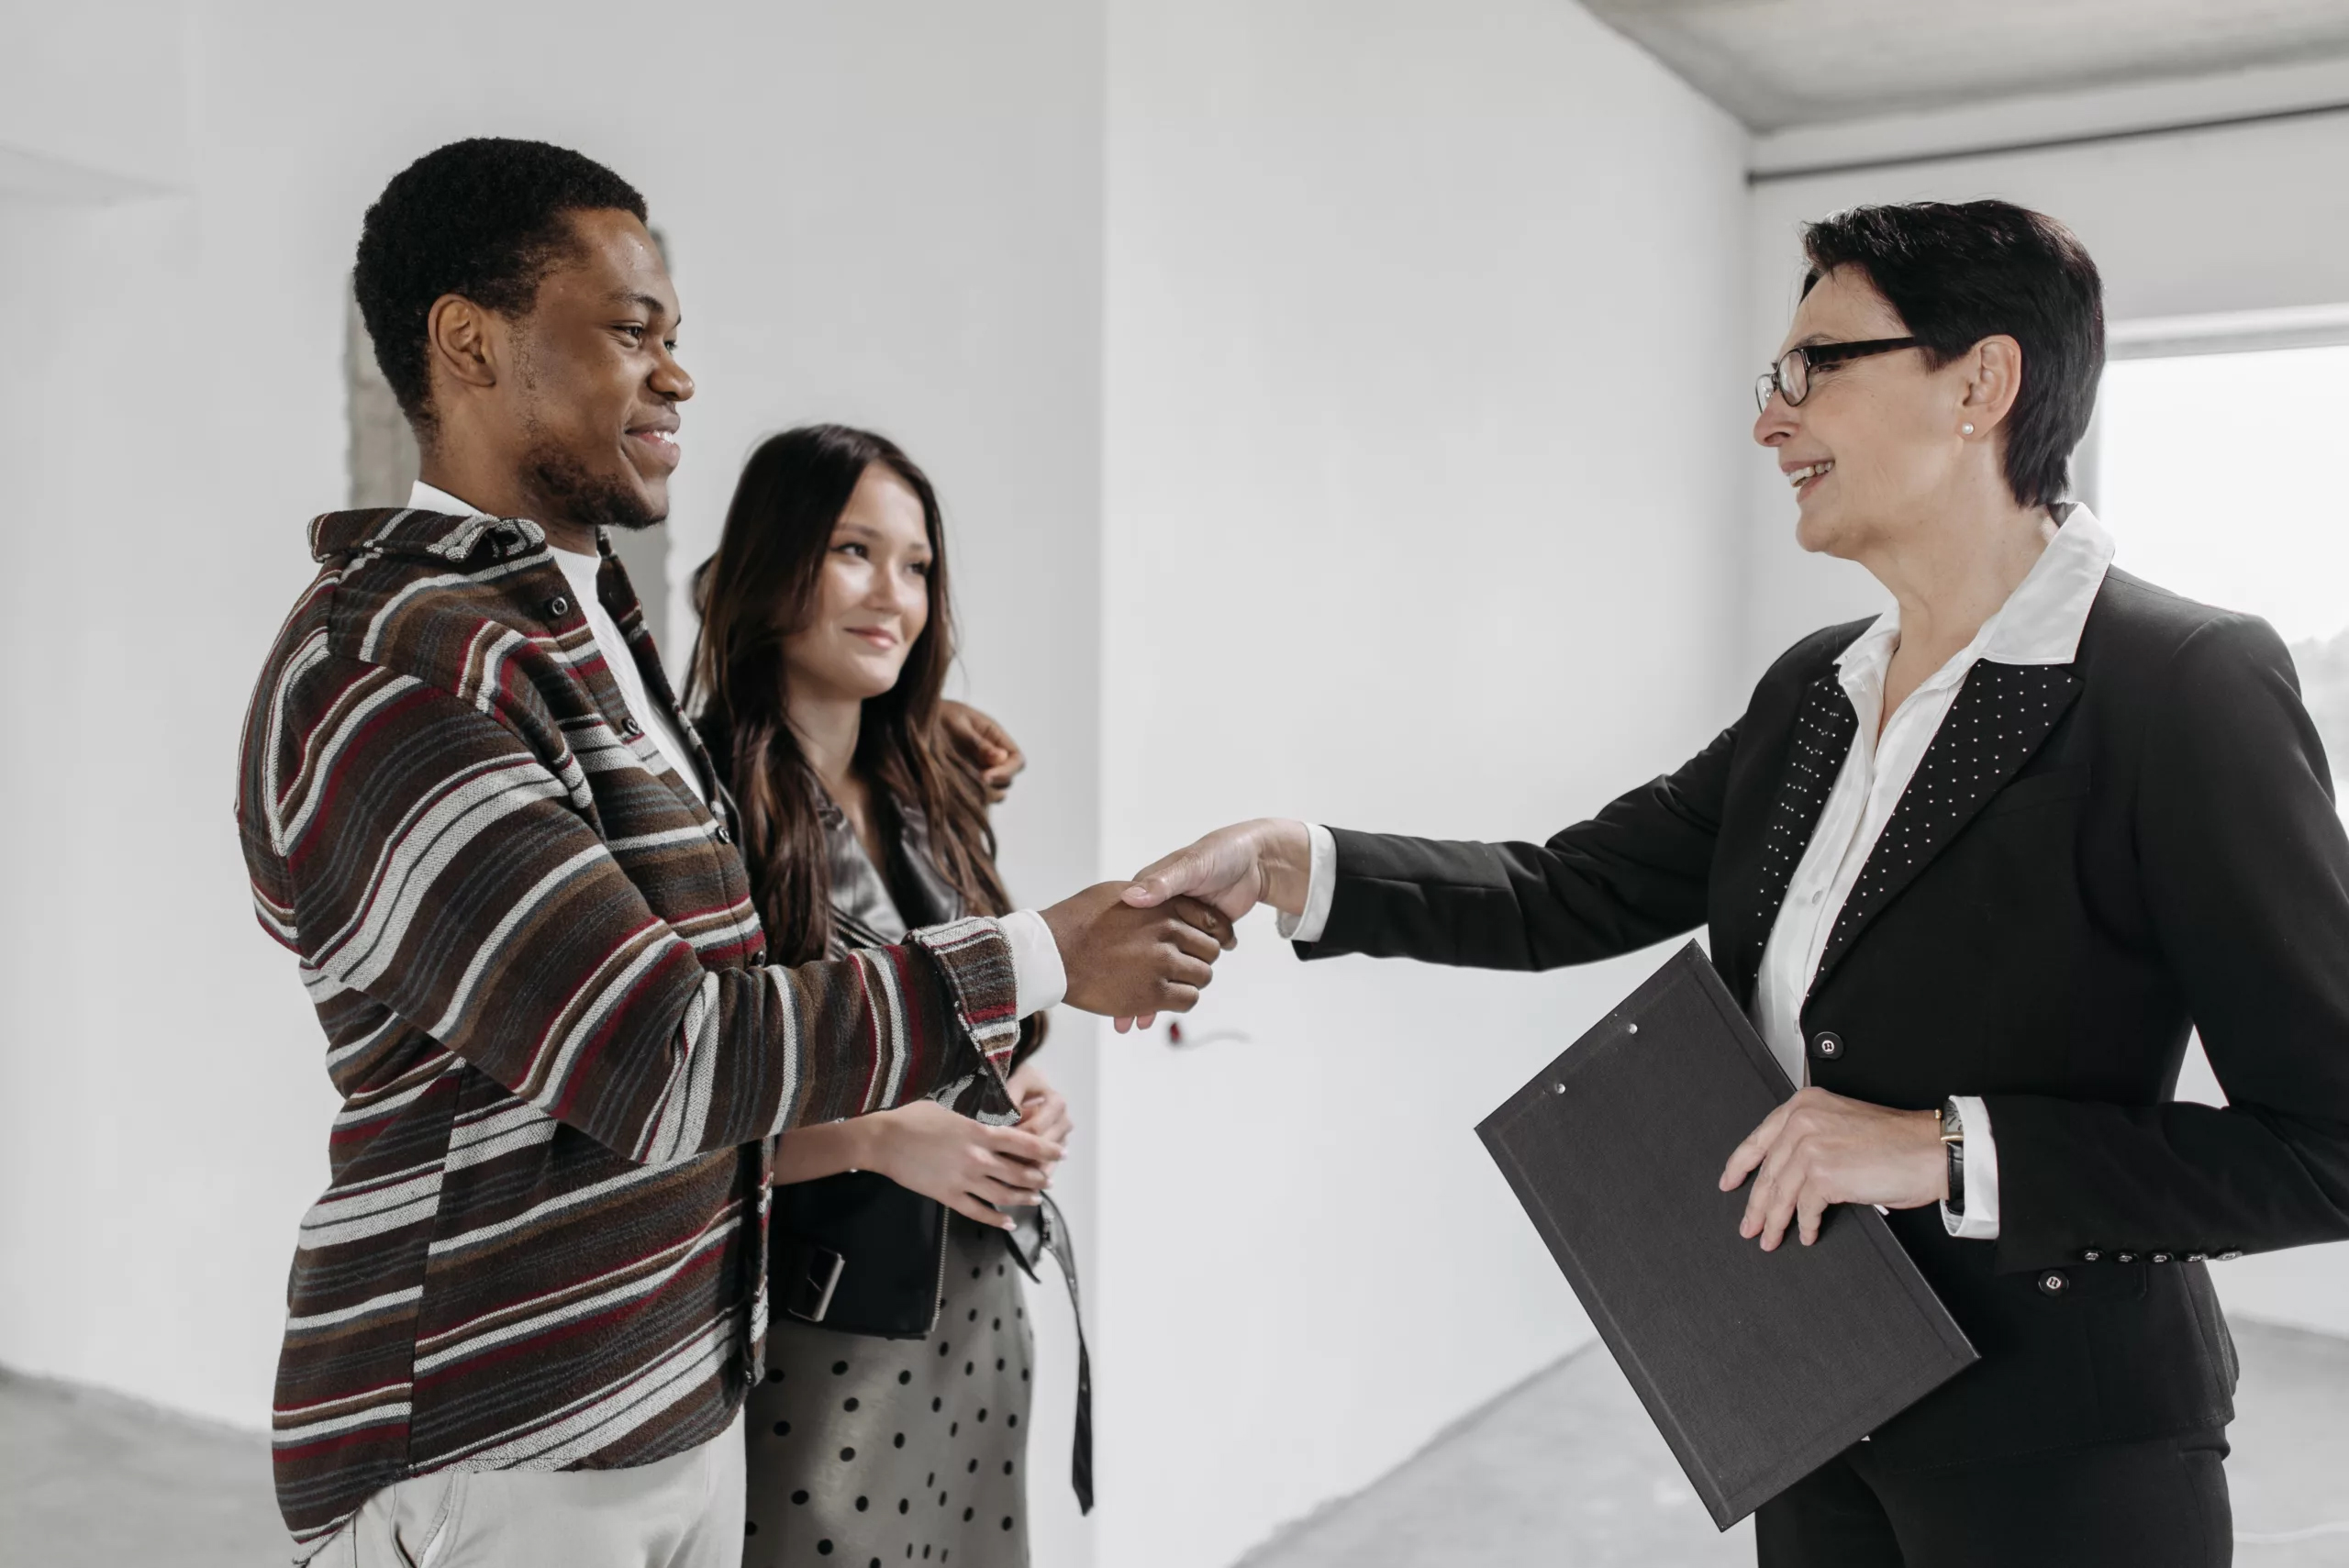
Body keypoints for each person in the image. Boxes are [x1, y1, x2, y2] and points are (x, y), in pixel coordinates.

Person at [1122, 200, 2349, 1566]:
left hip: (2059, 1450)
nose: (1772, 421)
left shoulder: (2183, 686)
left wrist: (1942, 1146)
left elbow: (2330, 1142)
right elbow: (1561, 890)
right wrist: (1297, 862)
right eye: (1778, 376)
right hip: (1813, 1395)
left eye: (1819, 364)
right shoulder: (1817, 691)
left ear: (1981, 384)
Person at [236, 138, 1230, 1567]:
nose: (679, 375)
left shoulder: (575, 632)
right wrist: (1044, 952)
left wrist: (929, 740)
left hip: (683, 1396)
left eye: (677, 338)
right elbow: (665, 1051)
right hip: (502, 1436)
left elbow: (726, 941)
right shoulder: (397, 668)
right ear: (468, 342)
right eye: (632, 333)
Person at [686, 424, 1069, 1567]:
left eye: (916, 564)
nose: (891, 594)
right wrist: (880, 1138)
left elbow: (974, 1024)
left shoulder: (931, 787)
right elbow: (672, 1104)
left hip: (984, 1303)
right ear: (771, 563)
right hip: (816, 1331)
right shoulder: (701, 806)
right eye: (854, 550)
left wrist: (1022, 1094)